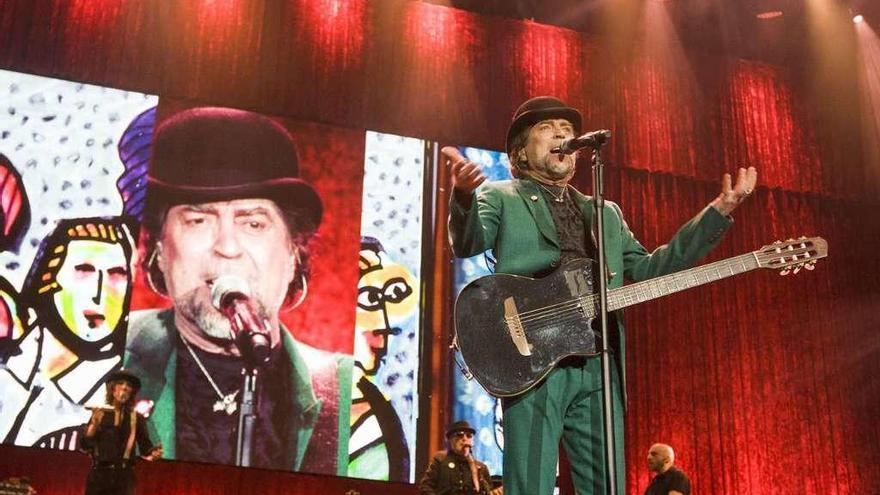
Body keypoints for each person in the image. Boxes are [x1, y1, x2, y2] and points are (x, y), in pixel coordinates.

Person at [446, 96, 757, 495]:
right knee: (530, 484)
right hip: (533, 357)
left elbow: (650, 269)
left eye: (567, 129)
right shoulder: (502, 195)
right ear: (520, 152)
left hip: (599, 359)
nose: (561, 133)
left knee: (607, 485)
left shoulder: (605, 212)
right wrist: (463, 196)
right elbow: (469, 240)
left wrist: (719, 210)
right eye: (546, 128)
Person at [124, 106, 353, 474]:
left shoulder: (349, 394)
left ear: (294, 253)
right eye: (198, 220)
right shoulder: (110, 356)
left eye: (254, 223)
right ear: (160, 251)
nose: (227, 246)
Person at [0, 217, 135, 449]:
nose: (99, 292)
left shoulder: (114, 401)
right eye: (84, 270)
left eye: (116, 274)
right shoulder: (10, 369)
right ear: (48, 278)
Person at [81, 369, 162, 495]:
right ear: (112, 389)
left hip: (124, 477)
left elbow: (145, 448)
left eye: (128, 385)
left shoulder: (136, 418)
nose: (124, 387)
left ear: (132, 392)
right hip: (99, 475)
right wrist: (93, 426)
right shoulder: (101, 413)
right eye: (120, 383)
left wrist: (153, 454)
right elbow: (85, 446)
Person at [419, 420, 499, 495]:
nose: (464, 439)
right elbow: (425, 487)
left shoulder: (481, 468)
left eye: (469, 436)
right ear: (450, 439)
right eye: (459, 435)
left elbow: (488, 491)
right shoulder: (440, 459)